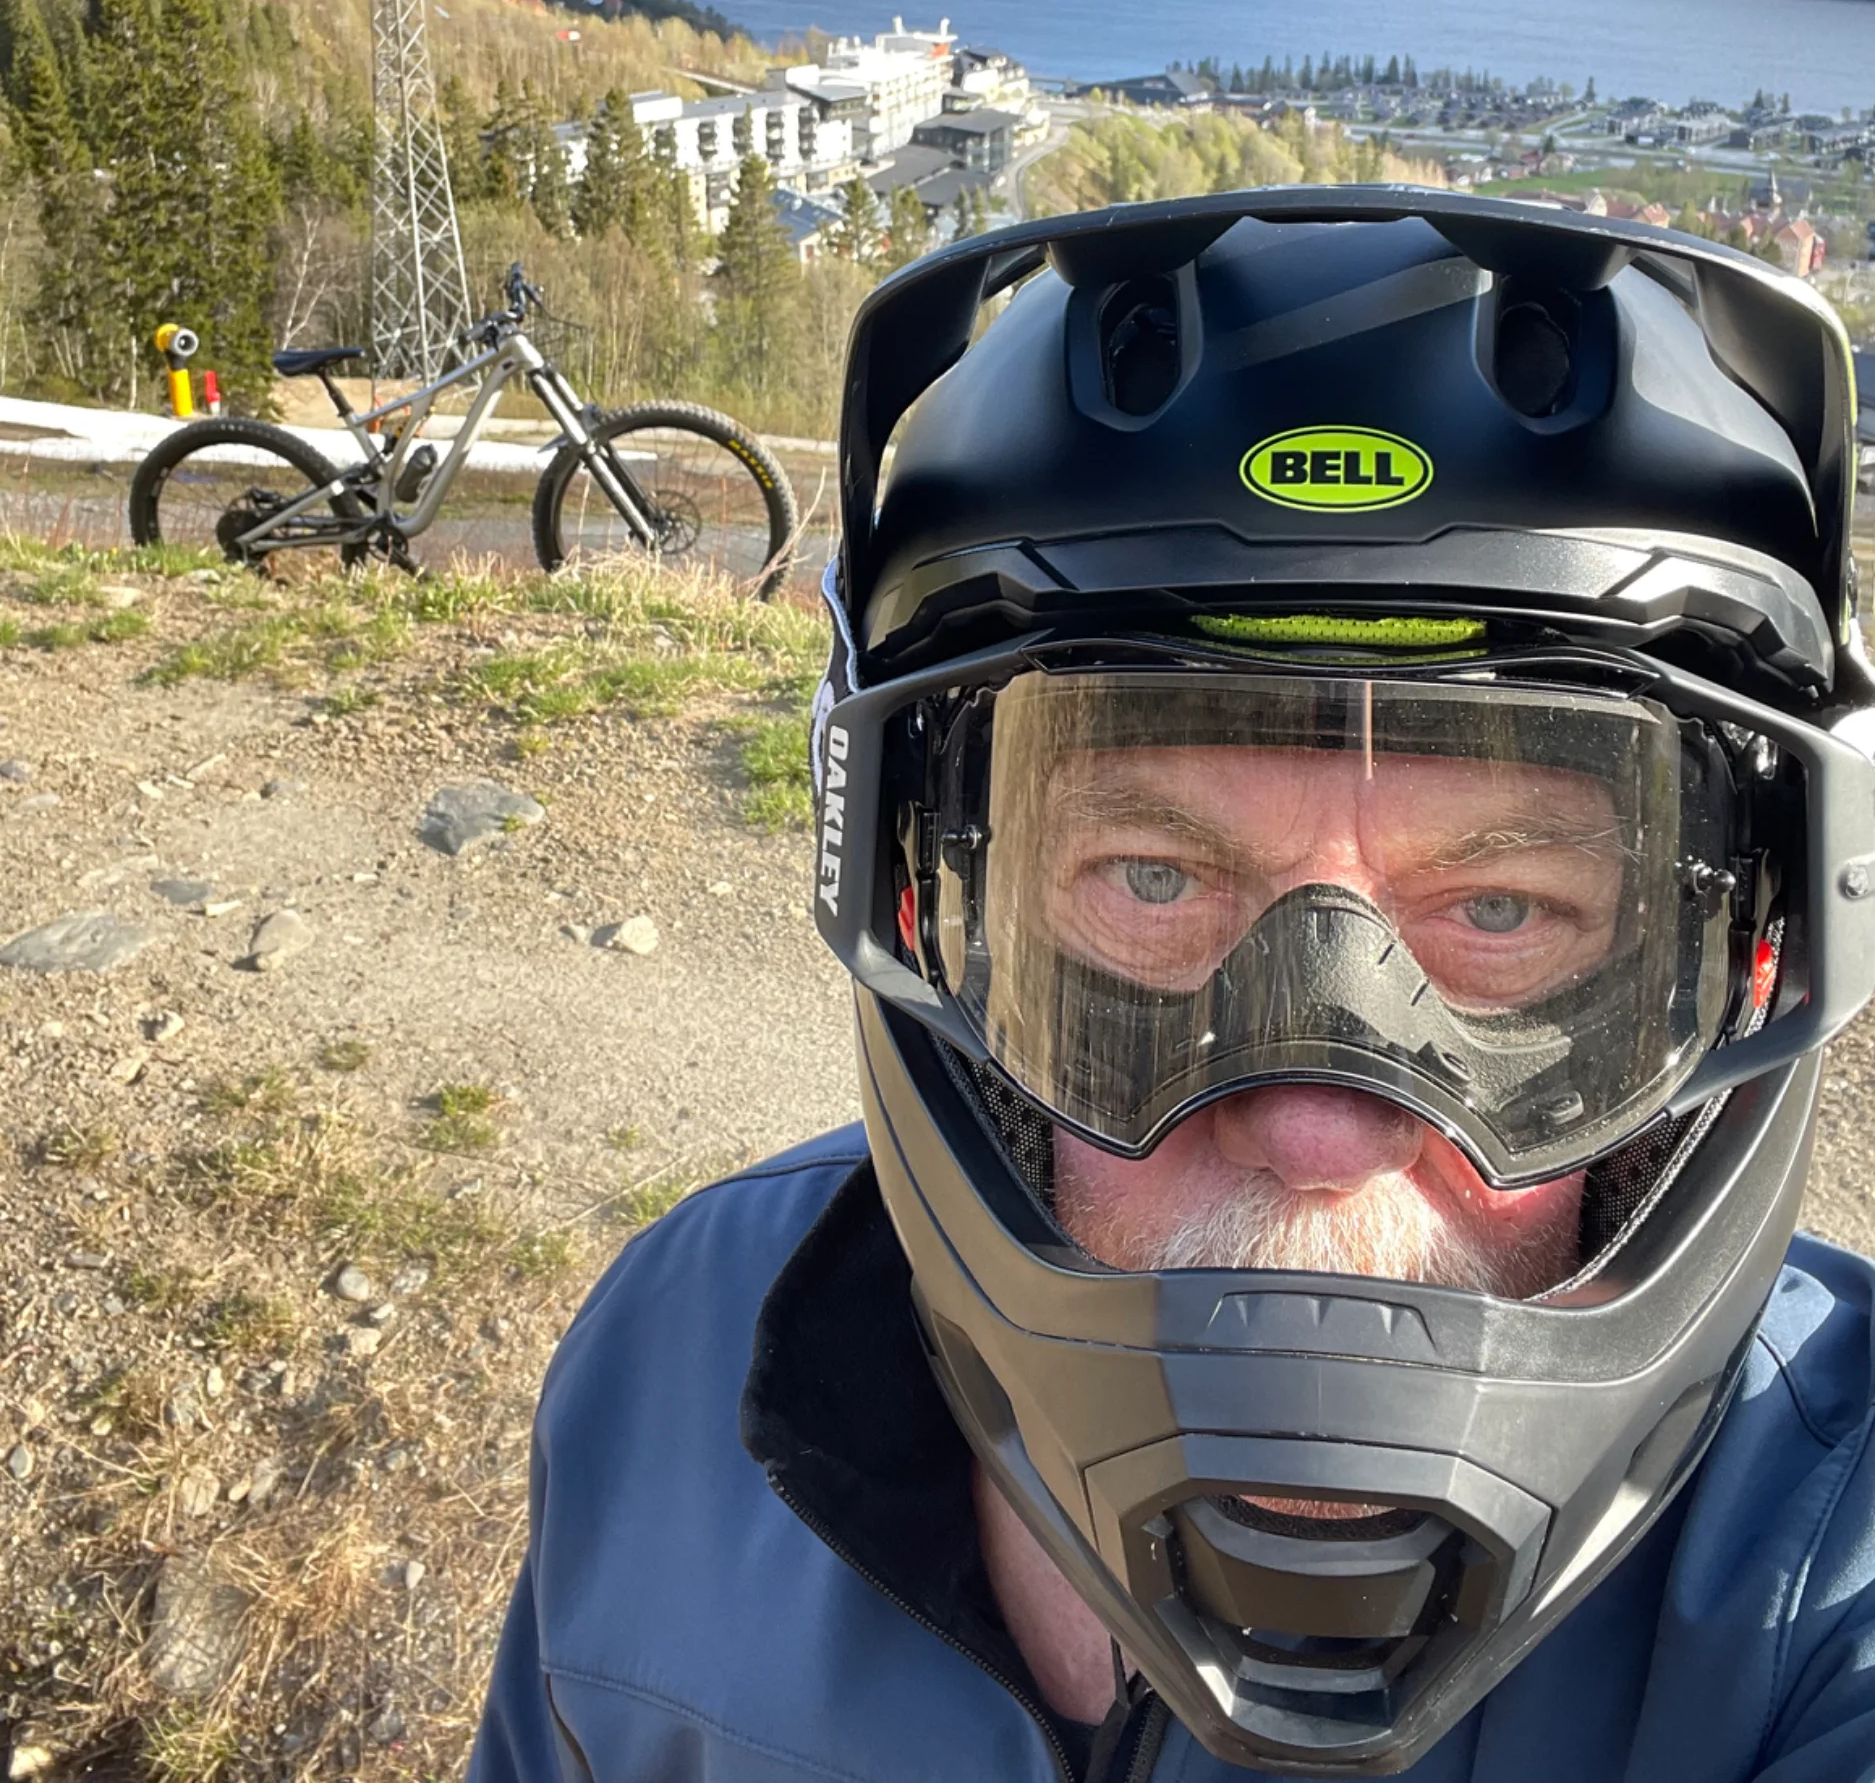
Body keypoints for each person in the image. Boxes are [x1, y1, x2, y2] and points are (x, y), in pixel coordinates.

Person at [470, 186, 1875, 1782]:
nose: (1319, 1134)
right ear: (920, 905)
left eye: (1498, 908)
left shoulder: (1830, 1558)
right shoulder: (675, 1357)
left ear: (1748, 958)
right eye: (1152, 881)